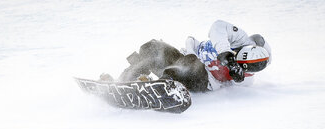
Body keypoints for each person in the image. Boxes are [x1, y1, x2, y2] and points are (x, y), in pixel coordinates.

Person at [105, 20, 271, 92]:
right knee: (155, 47)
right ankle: (120, 84)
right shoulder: (238, 37)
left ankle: (161, 86)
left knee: (192, 65)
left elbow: (241, 83)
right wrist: (225, 53)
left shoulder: (249, 75)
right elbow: (217, 26)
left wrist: (237, 77)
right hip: (184, 57)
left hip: (201, 78)